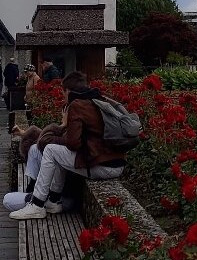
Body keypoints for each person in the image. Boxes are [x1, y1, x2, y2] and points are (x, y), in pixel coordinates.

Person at [10, 72, 127, 220]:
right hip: (116, 164)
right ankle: (53, 201)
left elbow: (73, 143)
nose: (63, 97)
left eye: (63, 92)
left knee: (51, 150)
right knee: (57, 152)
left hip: (102, 167)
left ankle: (37, 205)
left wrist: (60, 127)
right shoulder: (97, 100)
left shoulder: (77, 105)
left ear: (68, 91)